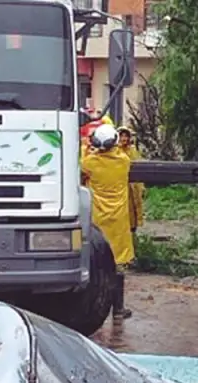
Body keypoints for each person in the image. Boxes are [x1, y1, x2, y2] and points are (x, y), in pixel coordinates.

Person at [81, 123, 134, 320]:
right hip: (118, 219)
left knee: (98, 263)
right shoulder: (123, 161)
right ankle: (118, 310)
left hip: (98, 217)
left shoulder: (90, 163)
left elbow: (80, 163)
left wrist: (87, 145)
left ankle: (92, 307)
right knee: (119, 264)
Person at [117, 126, 146, 233]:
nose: (124, 139)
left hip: (133, 185)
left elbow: (138, 167)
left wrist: (141, 186)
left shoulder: (132, 150)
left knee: (133, 210)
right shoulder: (115, 151)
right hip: (120, 186)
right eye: (121, 136)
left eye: (126, 136)